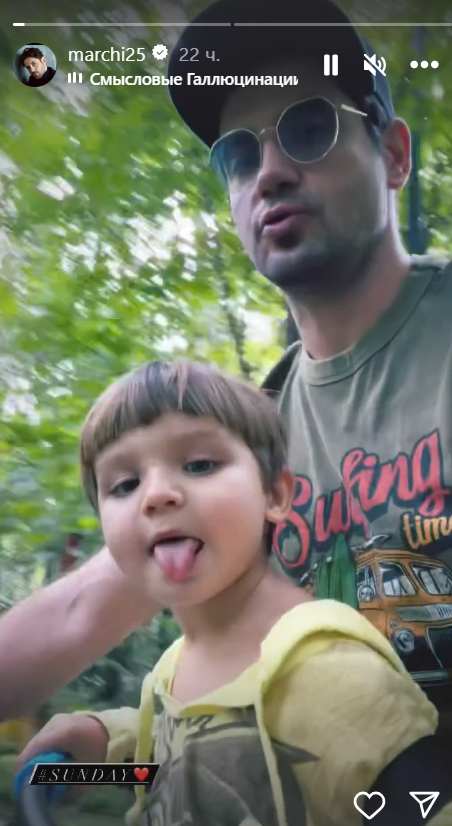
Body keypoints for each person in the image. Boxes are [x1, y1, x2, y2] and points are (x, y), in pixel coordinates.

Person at [2, 0, 452, 718]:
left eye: (309, 128)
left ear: (394, 156)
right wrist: (117, 736)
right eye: (239, 155)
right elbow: (82, 610)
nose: (268, 172)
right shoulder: (245, 437)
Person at [16, 360, 452, 826]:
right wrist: (105, 742)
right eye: (124, 485)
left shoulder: (324, 670)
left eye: (200, 465)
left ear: (275, 495)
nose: (156, 495)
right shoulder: (173, 668)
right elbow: (174, 772)